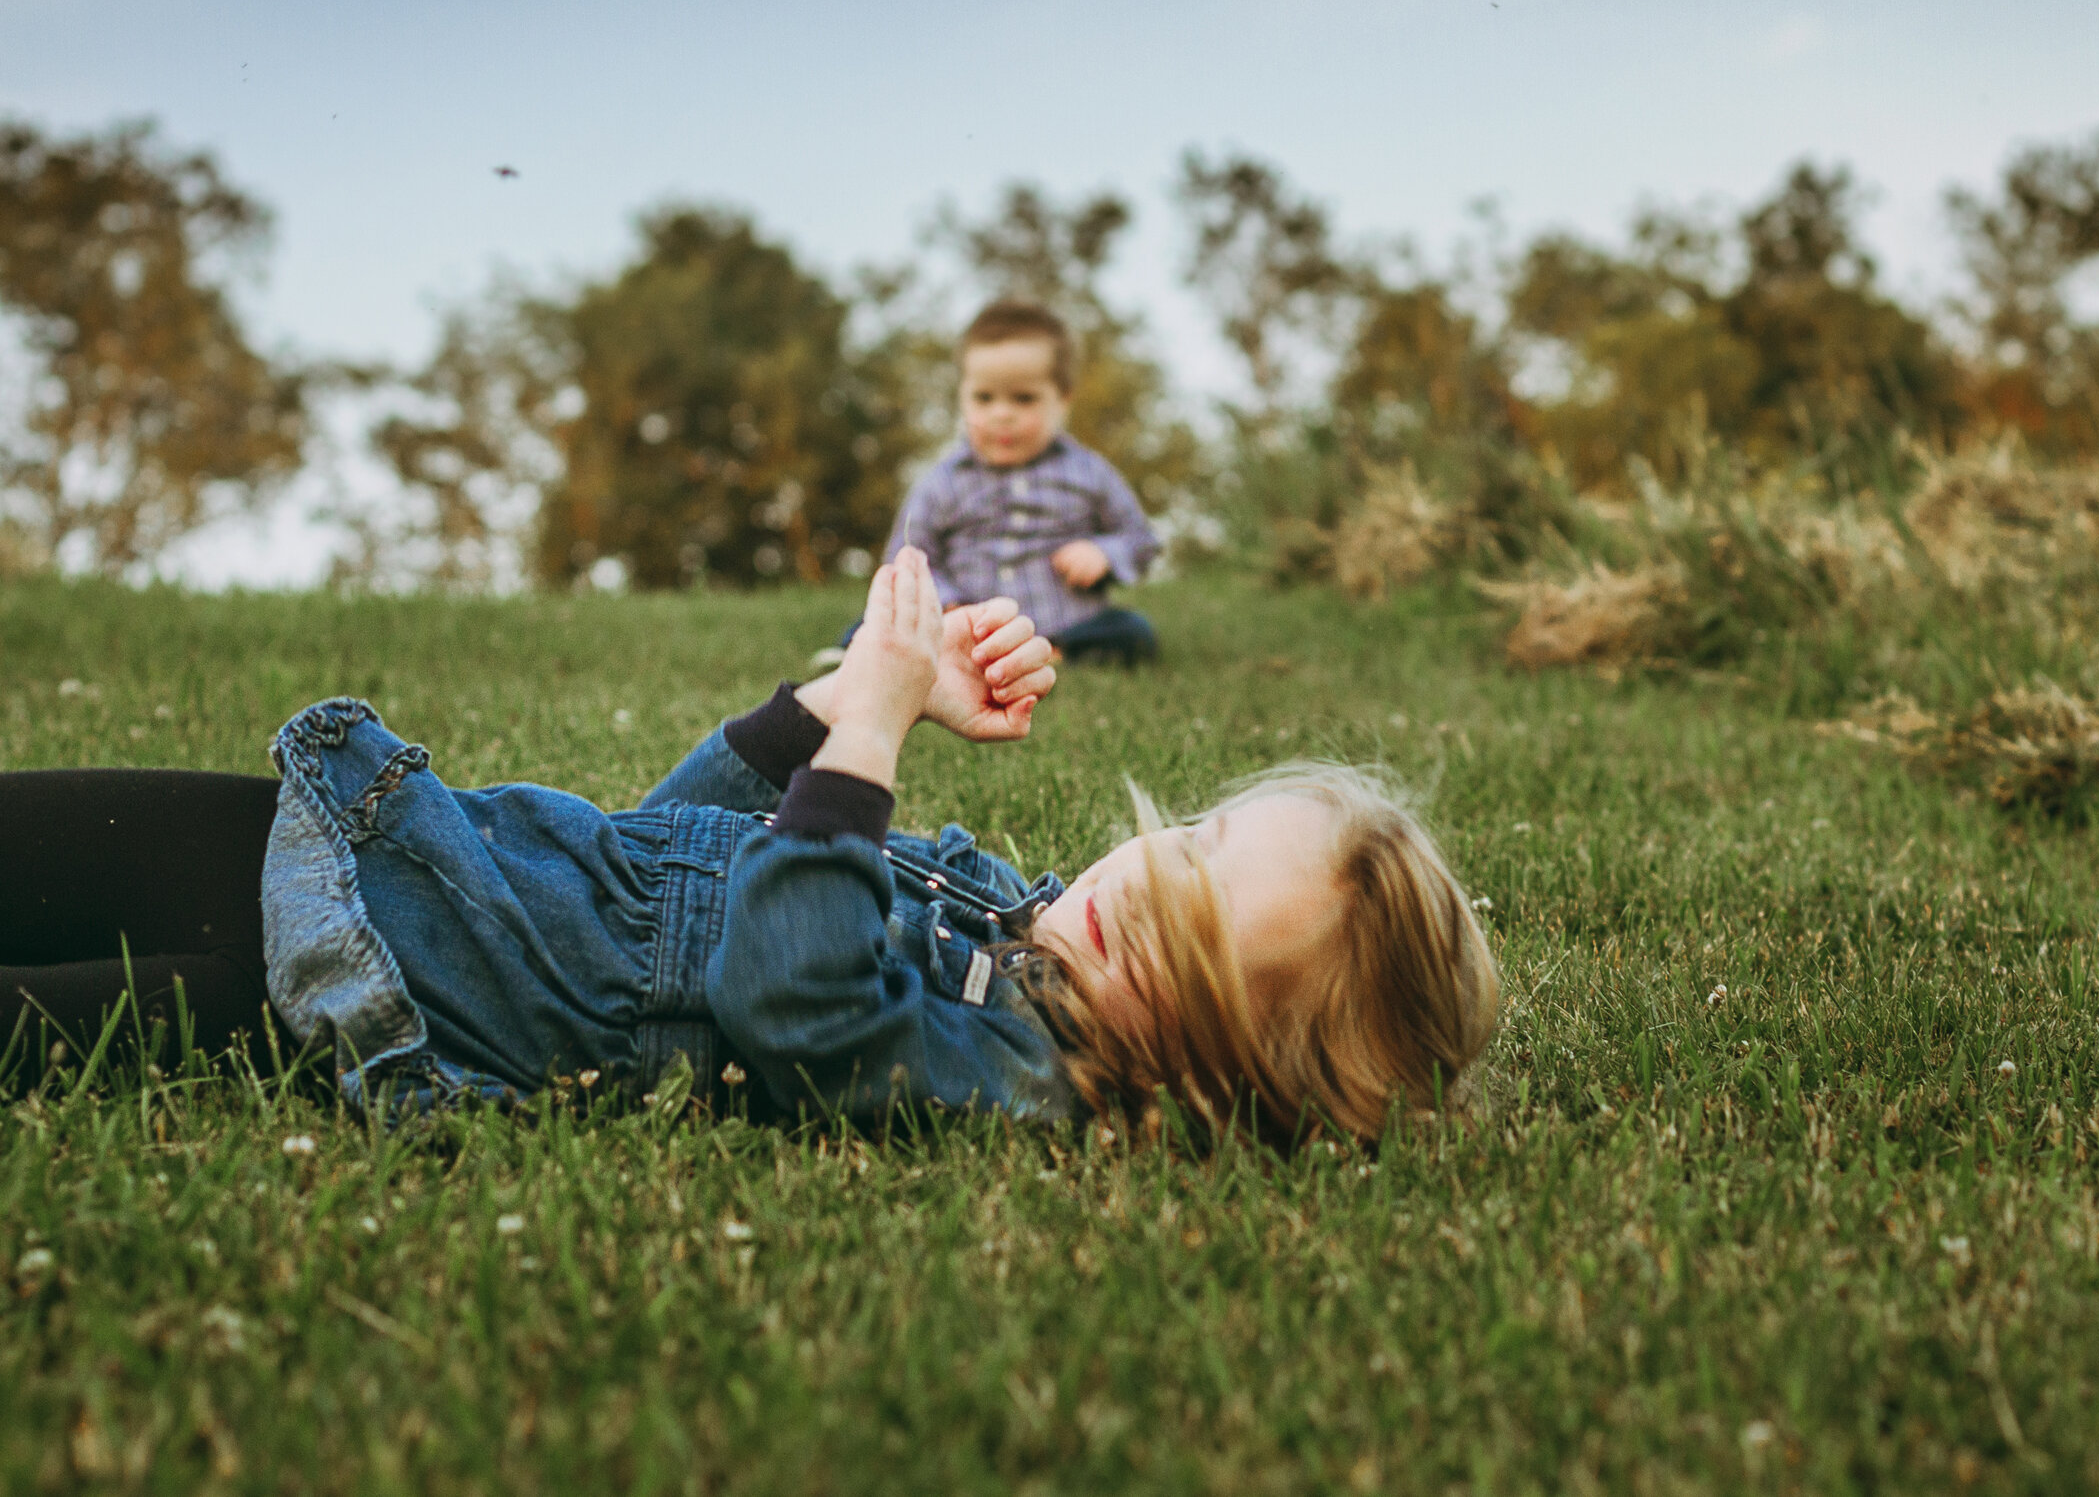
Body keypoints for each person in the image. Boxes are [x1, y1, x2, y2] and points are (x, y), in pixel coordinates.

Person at [2, 552, 1499, 1145]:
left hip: (388, 995)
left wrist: (870, 756)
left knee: (59, 1024)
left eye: (1199, 952)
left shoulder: (1003, 1077)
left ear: (1232, 1073)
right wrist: (831, 703)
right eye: (1191, 853)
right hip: (415, 856)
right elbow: (674, 850)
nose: (1136, 907)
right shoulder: (981, 905)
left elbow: (795, 995)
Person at [869, 298, 1161, 667]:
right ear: (963, 397)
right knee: (874, 624)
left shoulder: (1089, 472)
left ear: (1063, 399)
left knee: (1132, 631)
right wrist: (946, 603)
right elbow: (906, 557)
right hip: (966, 631)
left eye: (1024, 399)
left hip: (1067, 623)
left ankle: (1053, 655)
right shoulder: (943, 482)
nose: (1001, 414)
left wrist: (1104, 553)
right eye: (984, 398)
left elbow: (1140, 538)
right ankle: (861, 658)